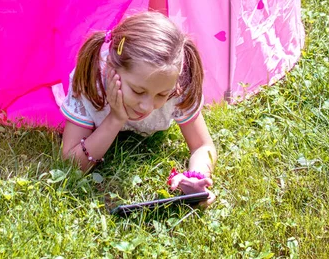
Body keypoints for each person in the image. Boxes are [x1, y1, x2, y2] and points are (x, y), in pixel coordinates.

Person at [60, 11, 216, 205]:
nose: (147, 106)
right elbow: (70, 163)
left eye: (161, 95)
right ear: (110, 68)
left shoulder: (177, 85)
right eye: (137, 91)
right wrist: (115, 119)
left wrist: (196, 177)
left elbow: (202, 145)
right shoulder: (90, 82)